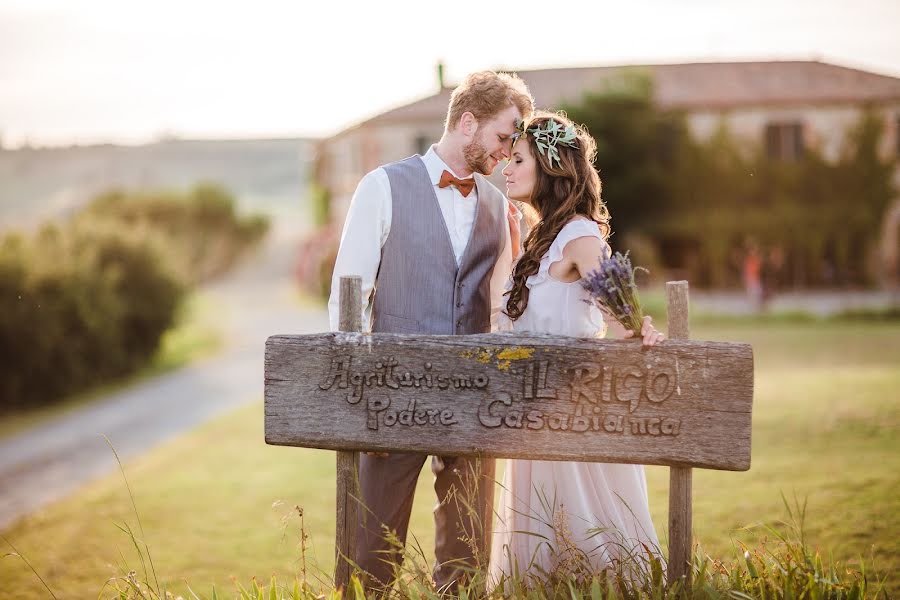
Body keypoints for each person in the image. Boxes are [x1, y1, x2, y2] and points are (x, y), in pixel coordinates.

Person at [327, 70, 534, 591]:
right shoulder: (382, 187)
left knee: (467, 557)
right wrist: (361, 401)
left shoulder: (498, 207)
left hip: (472, 405)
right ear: (468, 123)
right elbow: (347, 298)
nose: (508, 152)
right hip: (391, 400)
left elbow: (500, 310)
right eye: (504, 135)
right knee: (371, 554)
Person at [488, 111, 664, 589]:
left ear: (549, 166)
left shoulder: (579, 236)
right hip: (531, 422)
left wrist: (638, 329)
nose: (506, 167)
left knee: (590, 550)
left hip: (573, 418)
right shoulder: (536, 239)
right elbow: (502, 321)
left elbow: (620, 316)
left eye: (517, 158)